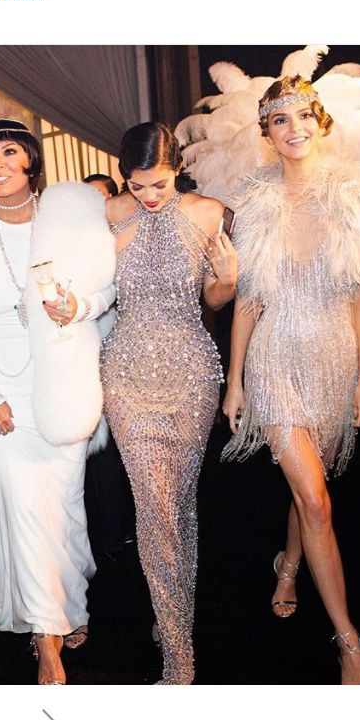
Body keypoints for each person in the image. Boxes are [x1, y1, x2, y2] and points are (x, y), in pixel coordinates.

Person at [222, 76, 360, 684]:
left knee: (311, 490)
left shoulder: (357, 195)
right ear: (267, 135)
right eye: (279, 120)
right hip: (274, 360)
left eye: (302, 116)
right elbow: (247, 299)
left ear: (319, 124)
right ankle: (350, 642)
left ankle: (290, 561)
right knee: (318, 502)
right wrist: (236, 380)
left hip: (333, 358)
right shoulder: (254, 203)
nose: (292, 128)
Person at [0, 119, 115, 685]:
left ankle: (70, 592)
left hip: (63, 377)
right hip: (4, 389)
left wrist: (82, 305)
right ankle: (47, 636)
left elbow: (108, 285)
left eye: (9, 152)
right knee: (25, 510)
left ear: (31, 162)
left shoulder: (66, 218)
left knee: (64, 506)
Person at [101, 122, 237, 684]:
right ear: (123, 179)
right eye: (138, 186)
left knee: (178, 505)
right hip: (126, 373)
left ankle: (171, 610)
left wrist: (227, 277)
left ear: (176, 167)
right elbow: (89, 287)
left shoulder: (209, 213)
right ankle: (179, 654)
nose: (150, 197)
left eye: (158, 184)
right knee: (153, 507)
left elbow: (215, 298)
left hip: (190, 373)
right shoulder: (109, 215)